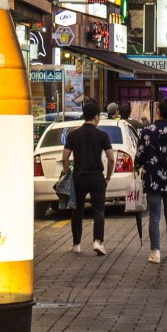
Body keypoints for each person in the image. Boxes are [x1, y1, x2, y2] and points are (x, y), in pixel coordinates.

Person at [134, 99, 167, 264]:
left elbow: (140, 156)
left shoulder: (146, 132)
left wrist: (139, 166)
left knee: (154, 216)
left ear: (157, 112)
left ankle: (155, 252)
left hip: (152, 179)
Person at [61, 101, 115, 256]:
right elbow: (111, 158)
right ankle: (98, 241)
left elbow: (65, 157)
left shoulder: (73, 135)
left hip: (78, 177)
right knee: (99, 210)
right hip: (97, 177)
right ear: (96, 117)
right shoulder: (102, 135)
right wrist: (108, 177)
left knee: (76, 211)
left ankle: (76, 244)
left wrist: (67, 173)